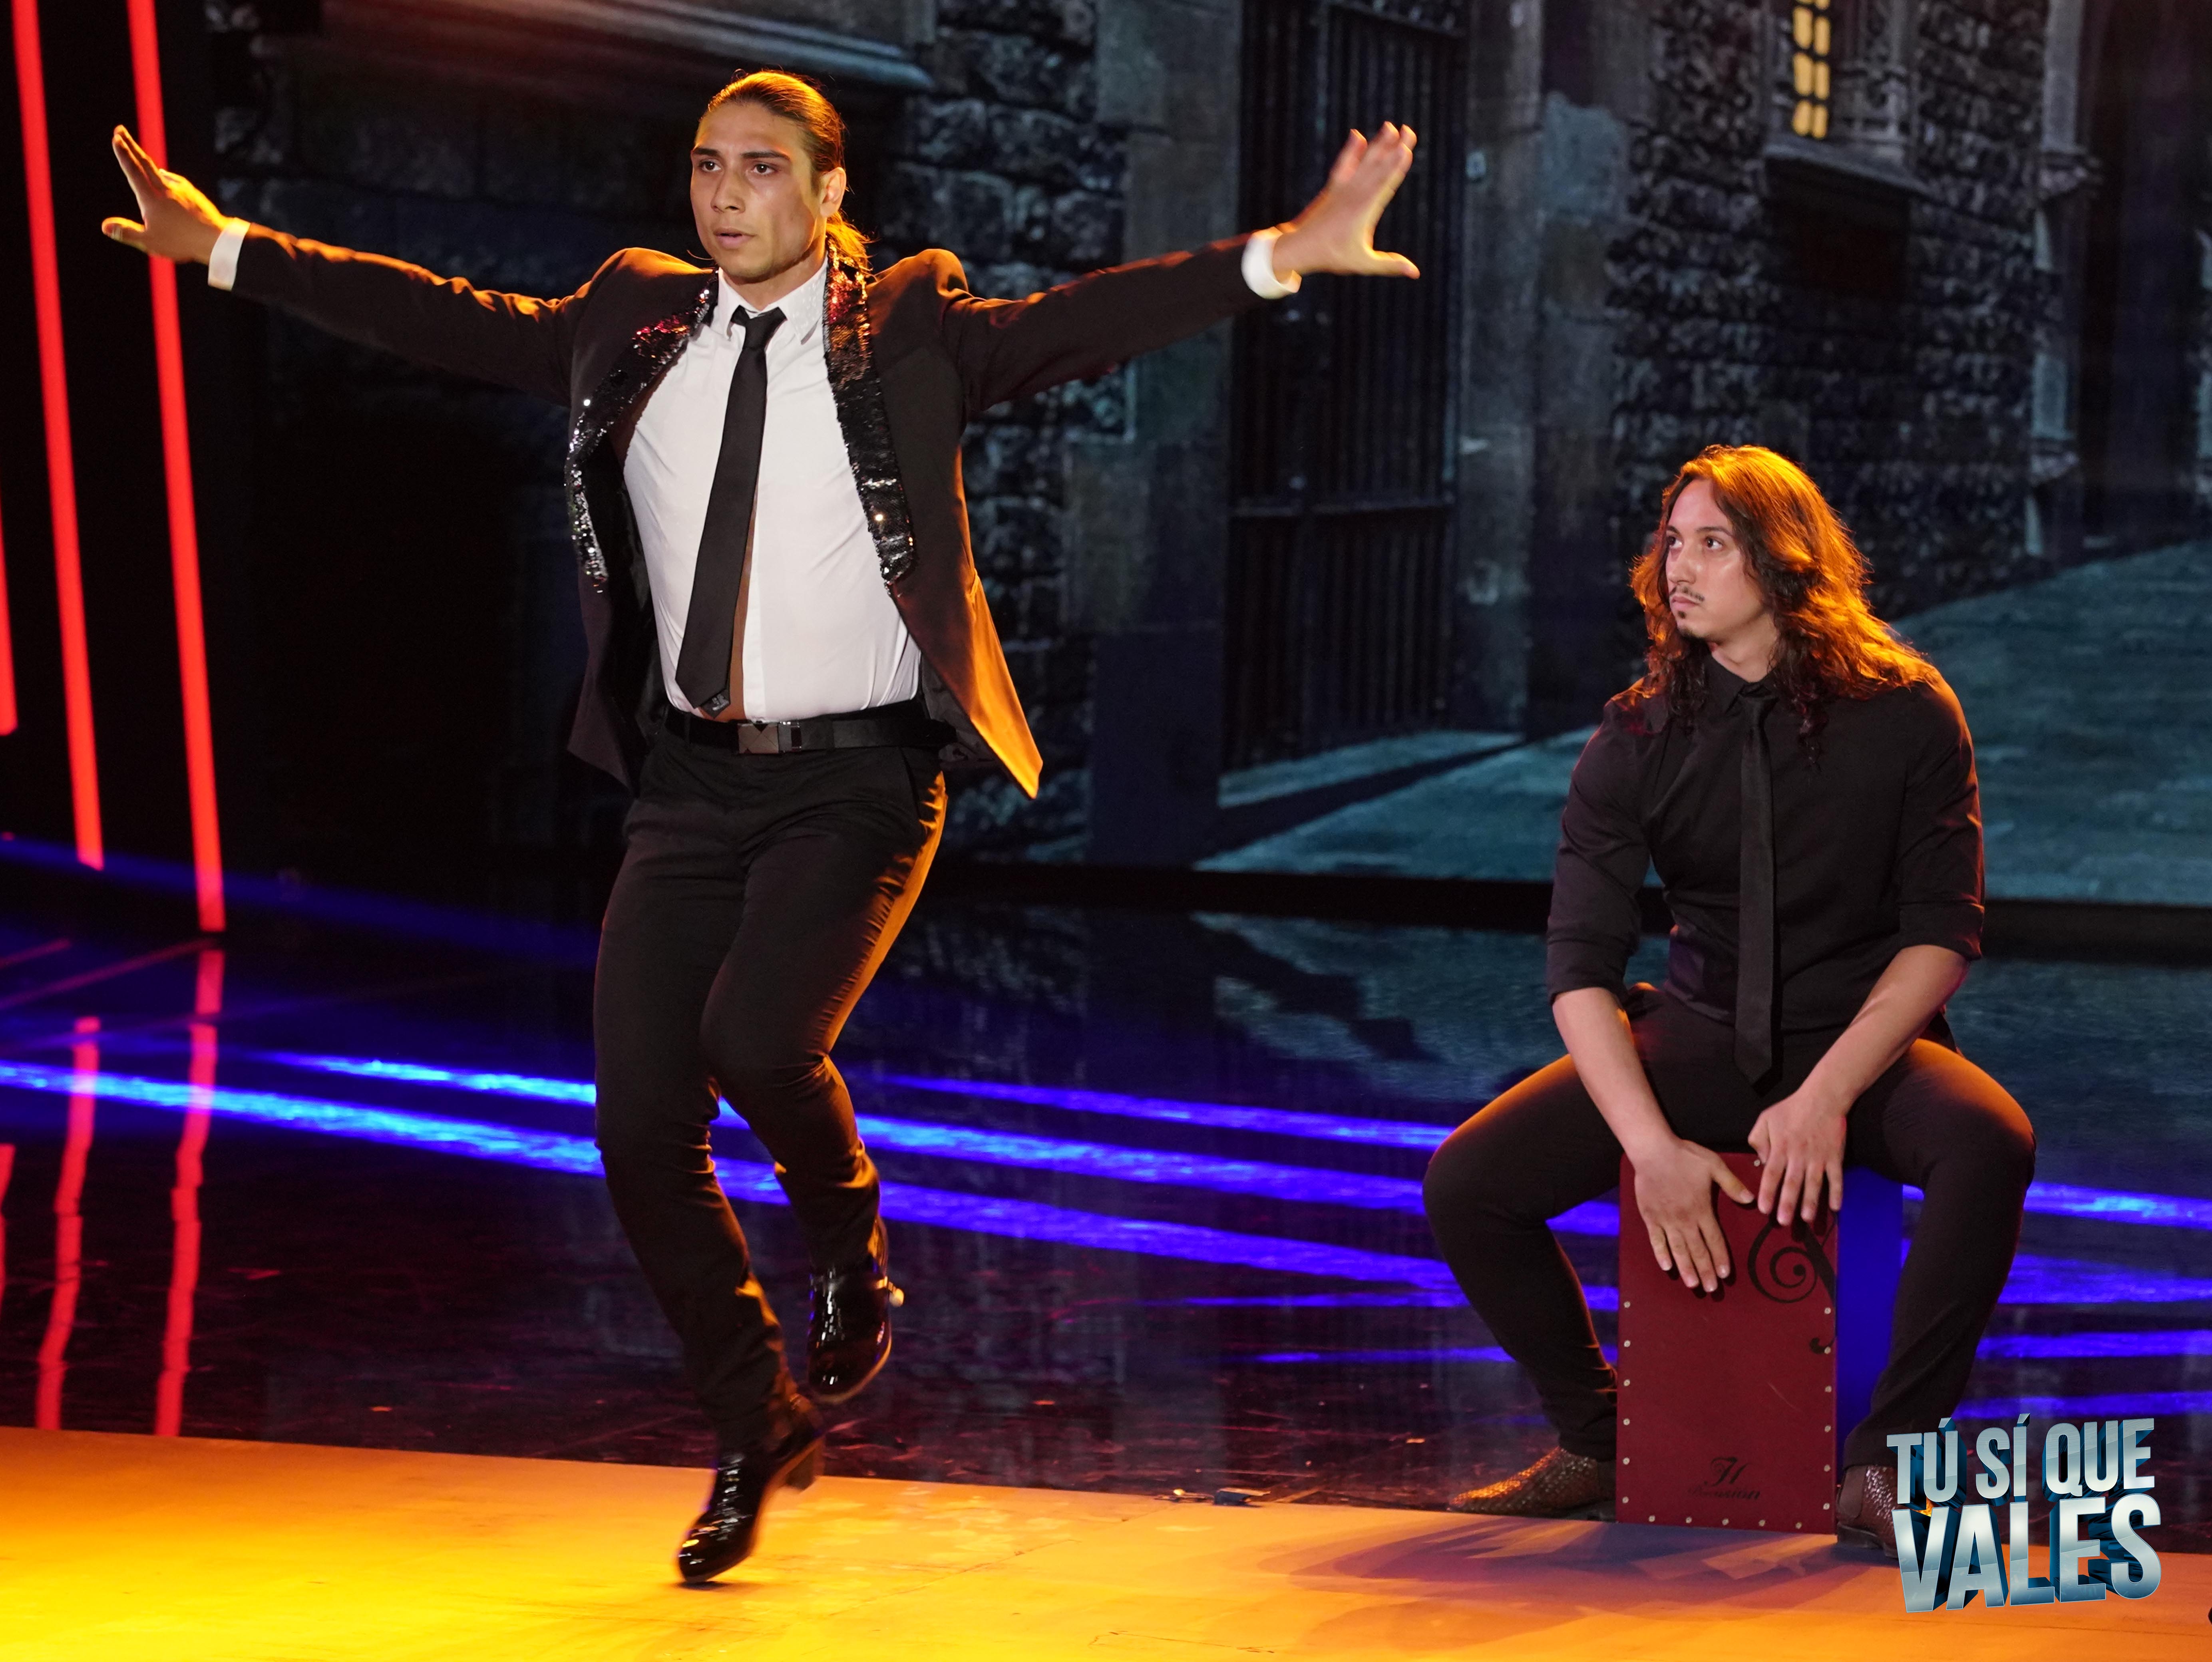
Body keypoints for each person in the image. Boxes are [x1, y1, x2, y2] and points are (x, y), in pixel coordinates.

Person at [102, 72, 1421, 1579]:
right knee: (636, 1129)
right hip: (689, 784)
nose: (727, 194)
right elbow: (442, 316)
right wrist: (222, 248)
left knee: (756, 1041)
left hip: (858, 781)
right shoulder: (629, 319)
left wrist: (1285, 253)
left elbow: (1086, 321)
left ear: (829, 191)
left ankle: (851, 1241)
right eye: (708, 165)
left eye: (763, 168)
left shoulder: (908, 325)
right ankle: (757, 1420)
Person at [1421, 445, 2034, 1556]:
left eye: (1714, 544)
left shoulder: (1908, 710)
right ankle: (1599, 1441)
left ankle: (1884, 1467)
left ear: (1785, 560)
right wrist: (1650, 1147)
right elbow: (1579, 969)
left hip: (1857, 1040)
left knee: (1990, 1142)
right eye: (1673, 544)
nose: (1680, 569)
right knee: (1468, 1182)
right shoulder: (1637, 734)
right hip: (1701, 1030)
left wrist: (1827, 1096)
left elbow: (1941, 936)